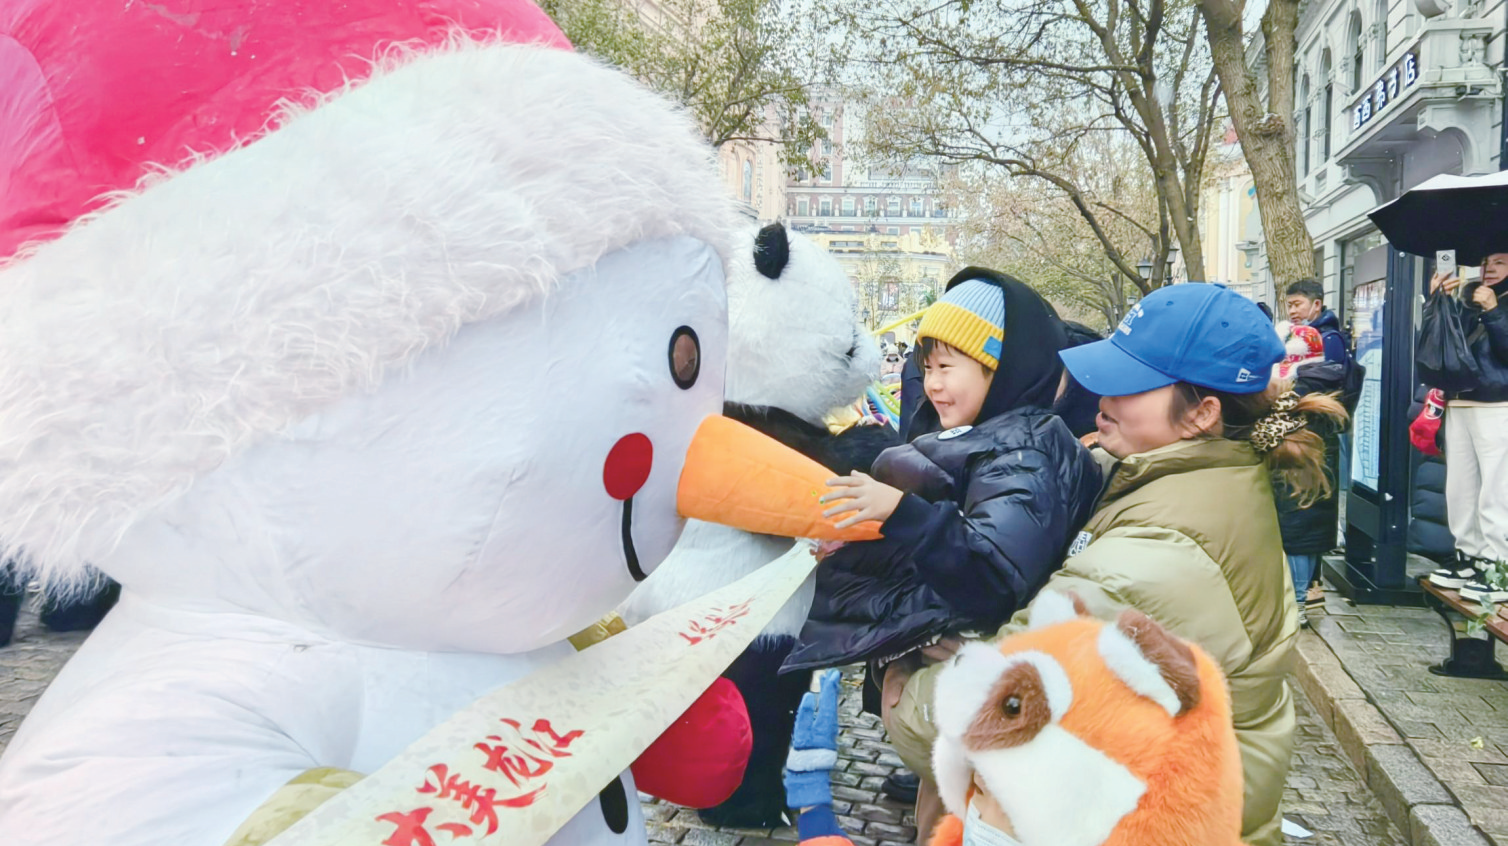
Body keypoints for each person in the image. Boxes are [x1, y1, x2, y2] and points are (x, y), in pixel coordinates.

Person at [884, 283, 1344, 846]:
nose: (1103, 396)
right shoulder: (1199, 480)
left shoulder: (1154, 554)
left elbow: (976, 718)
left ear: (1202, 414)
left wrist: (900, 687)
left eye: (1130, 384)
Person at [783, 268, 1101, 835]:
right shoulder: (990, 435)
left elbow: (992, 574)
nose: (932, 384)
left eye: (948, 367)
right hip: (955, 670)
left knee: (956, 816)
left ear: (1001, 368)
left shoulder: (1023, 453)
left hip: (971, 669)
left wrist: (899, 513)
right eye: (927, 367)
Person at [1427, 252, 1508, 582]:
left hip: (1497, 402)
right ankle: (1469, 554)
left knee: (1496, 487)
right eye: (1487, 262)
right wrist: (1438, 302)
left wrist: (1494, 311)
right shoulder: (1466, 299)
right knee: (1460, 487)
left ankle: (1499, 565)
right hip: (1459, 400)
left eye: (1500, 262)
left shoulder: (1493, 302)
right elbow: (1438, 346)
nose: (1490, 268)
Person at [1272, 323, 1349, 628]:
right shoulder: (1326, 381)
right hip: (1315, 476)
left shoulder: (1298, 389)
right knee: (1306, 541)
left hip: (1297, 477)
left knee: (1296, 542)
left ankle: (1298, 605)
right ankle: (1301, 601)